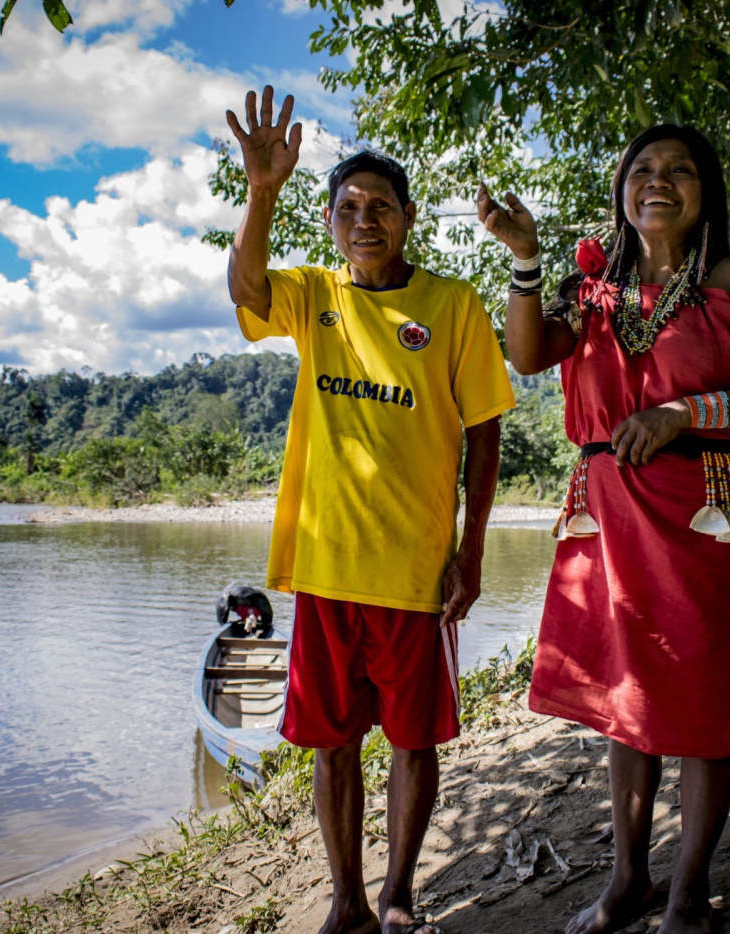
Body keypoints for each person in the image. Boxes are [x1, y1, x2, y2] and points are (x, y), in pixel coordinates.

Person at [478, 125, 730, 934]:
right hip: (606, 521)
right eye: (643, 170)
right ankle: (629, 881)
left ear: (705, 192)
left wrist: (681, 411)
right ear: (622, 191)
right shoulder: (593, 288)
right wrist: (526, 258)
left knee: (702, 697)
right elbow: (526, 356)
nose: (660, 181)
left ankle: (689, 891)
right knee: (628, 701)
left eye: (680, 170)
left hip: (704, 511)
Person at [225, 86, 515, 934]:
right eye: (347, 208)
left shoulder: (453, 306)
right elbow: (245, 289)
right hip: (325, 568)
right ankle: (346, 901)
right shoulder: (314, 295)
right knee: (332, 742)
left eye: (379, 207)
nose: (364, 220)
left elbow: (485, 439)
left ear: (409, 219)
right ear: (329, 222)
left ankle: (397, 897)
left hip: (416, 568)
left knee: (413, 741)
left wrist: (473, 550)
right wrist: (262, 190)